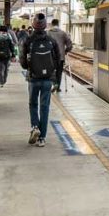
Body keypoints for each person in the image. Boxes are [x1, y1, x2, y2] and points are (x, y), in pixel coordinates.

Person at [20, 13, 60, 147]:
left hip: (33, 78)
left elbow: (23, 62)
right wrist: (53, 76)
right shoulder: (51, 41)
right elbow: (58, 59)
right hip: (47, 79)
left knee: (33, 104)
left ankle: (35, 127)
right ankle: (42, 138)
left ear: (33, 25)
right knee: (45, 107)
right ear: (45, 26)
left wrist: (29, 66)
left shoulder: (28, 40)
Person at [46, 19, 73, 93]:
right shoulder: (63, 33)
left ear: (52, 24)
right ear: (58, 24)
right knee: (59, 72)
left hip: (50, 56)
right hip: (60, 56)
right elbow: (69, 44)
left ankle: (54, 84)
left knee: (51, 71)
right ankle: (58, 87)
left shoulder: (48, 33)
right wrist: (66, 50)